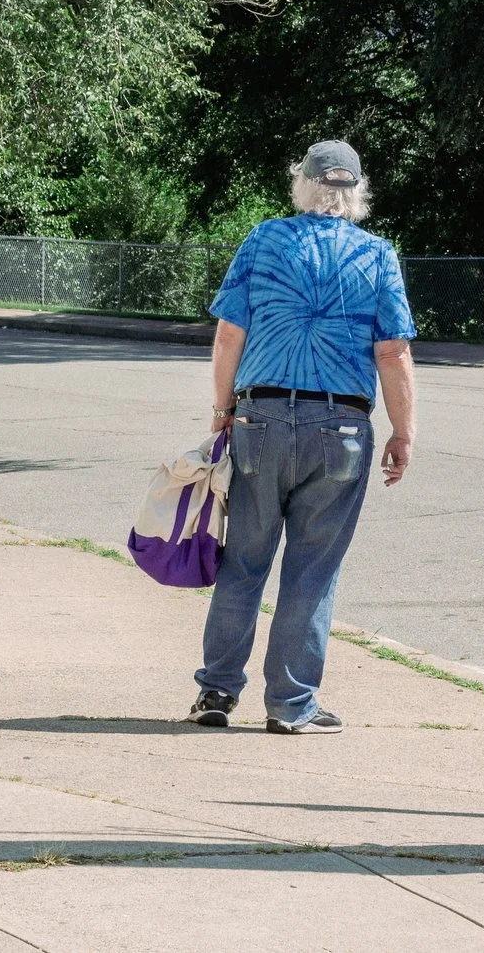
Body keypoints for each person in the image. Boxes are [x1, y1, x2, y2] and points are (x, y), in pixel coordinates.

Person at [188, 139, 417, 734]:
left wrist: (221, 409)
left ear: (303, 186)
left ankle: (215, 694)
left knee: (243, 561)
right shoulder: (377, 255)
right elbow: (392, 352)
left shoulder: (264, 241)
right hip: (340, 427)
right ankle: (290, 706)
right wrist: (403, 432)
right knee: (312, 570)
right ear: (356, 192)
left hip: (258, 421)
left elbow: (226, 337)